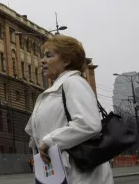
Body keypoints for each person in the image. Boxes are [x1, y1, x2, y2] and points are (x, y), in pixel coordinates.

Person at [25, 35, 113, 184]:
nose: (42, 61)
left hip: (79, 174)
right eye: (43, 56)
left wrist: (48, 141)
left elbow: (88, 124)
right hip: (58, 172)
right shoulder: (57, 89)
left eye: (49, 55)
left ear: (66, 60)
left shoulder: (73, 83)